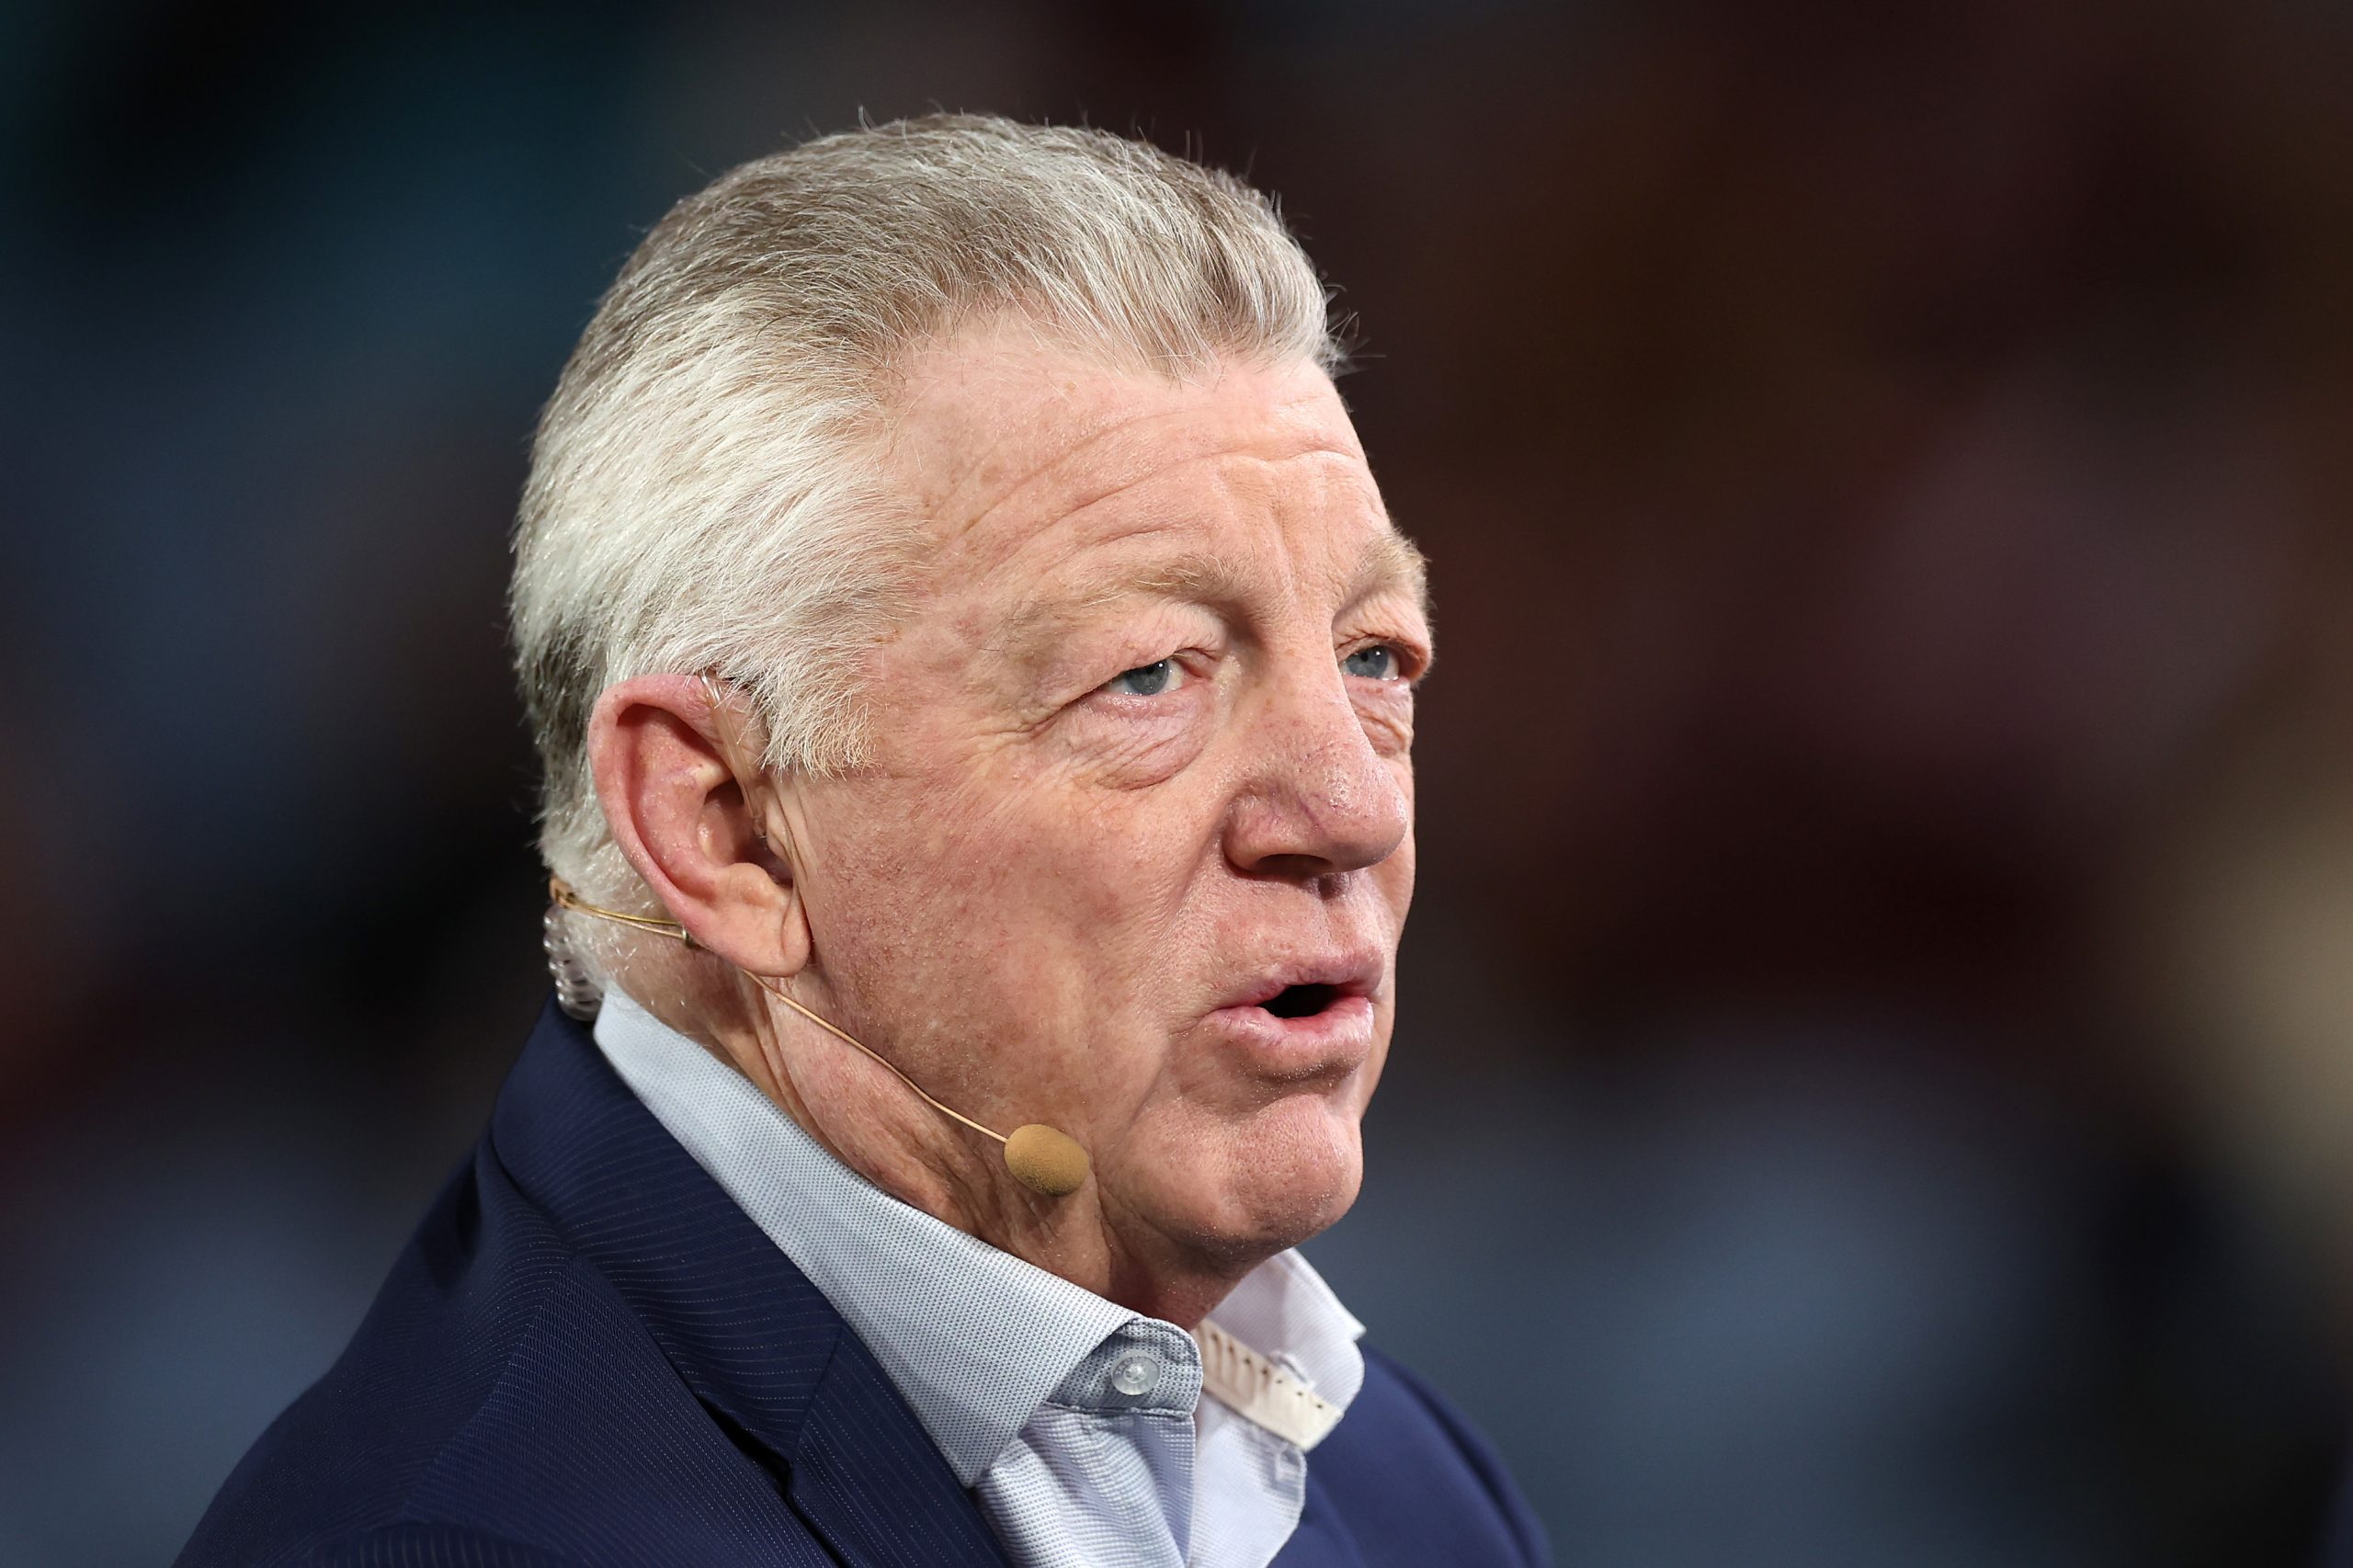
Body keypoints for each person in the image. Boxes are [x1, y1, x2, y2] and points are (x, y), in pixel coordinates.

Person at [176, 114, 1550, 1568]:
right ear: (729, 828)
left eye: (1374, 656)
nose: (1352, 809)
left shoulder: (1410, 1490)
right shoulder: (469, 1540)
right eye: (1150, 674)